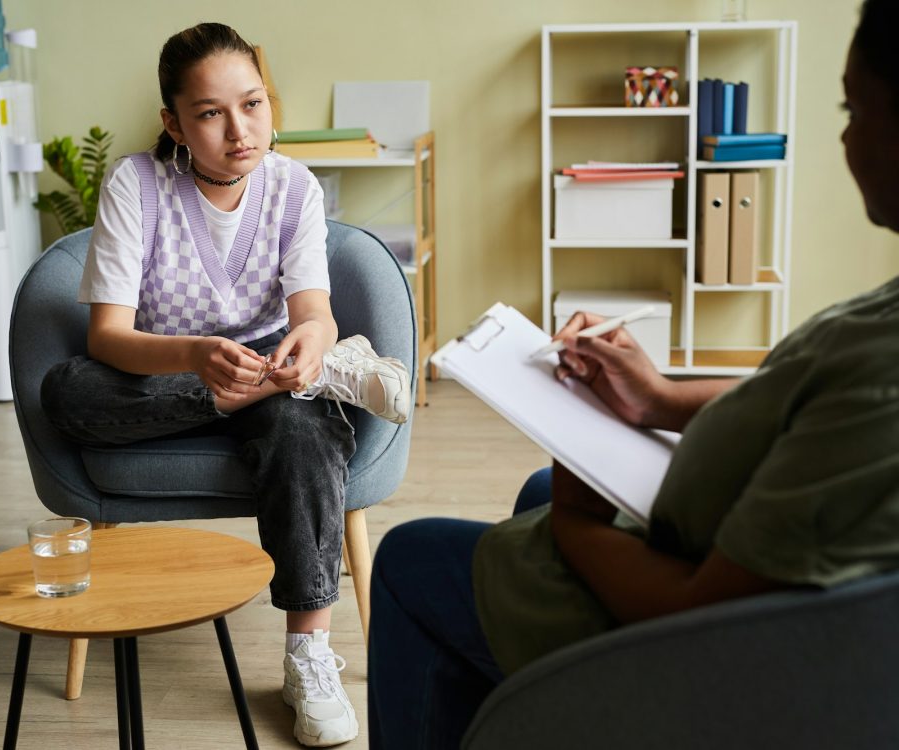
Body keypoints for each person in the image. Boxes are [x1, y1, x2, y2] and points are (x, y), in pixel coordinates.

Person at [367, 1, 899, 747]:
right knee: (538, 492)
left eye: (855, 105)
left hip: (693, 655)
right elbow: (805, 406)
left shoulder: (885, 388)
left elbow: (703, 621)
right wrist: (660, 397)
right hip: (712, 541)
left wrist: (583, 524)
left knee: (409, 556)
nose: (844, 132)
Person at [40, 22, 410, 747]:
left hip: (269, 381)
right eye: (210, 114)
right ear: (173, 123)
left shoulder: (293, 186)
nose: (240, 131)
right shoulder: (137, 185)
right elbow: (107, 338)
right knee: (67, 393)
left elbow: (315, 314)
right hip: (168, 383)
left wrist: (315, 343)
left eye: (253, 104)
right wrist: (197, 360)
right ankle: (314, 383)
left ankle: (309, 657)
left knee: (303, 431)